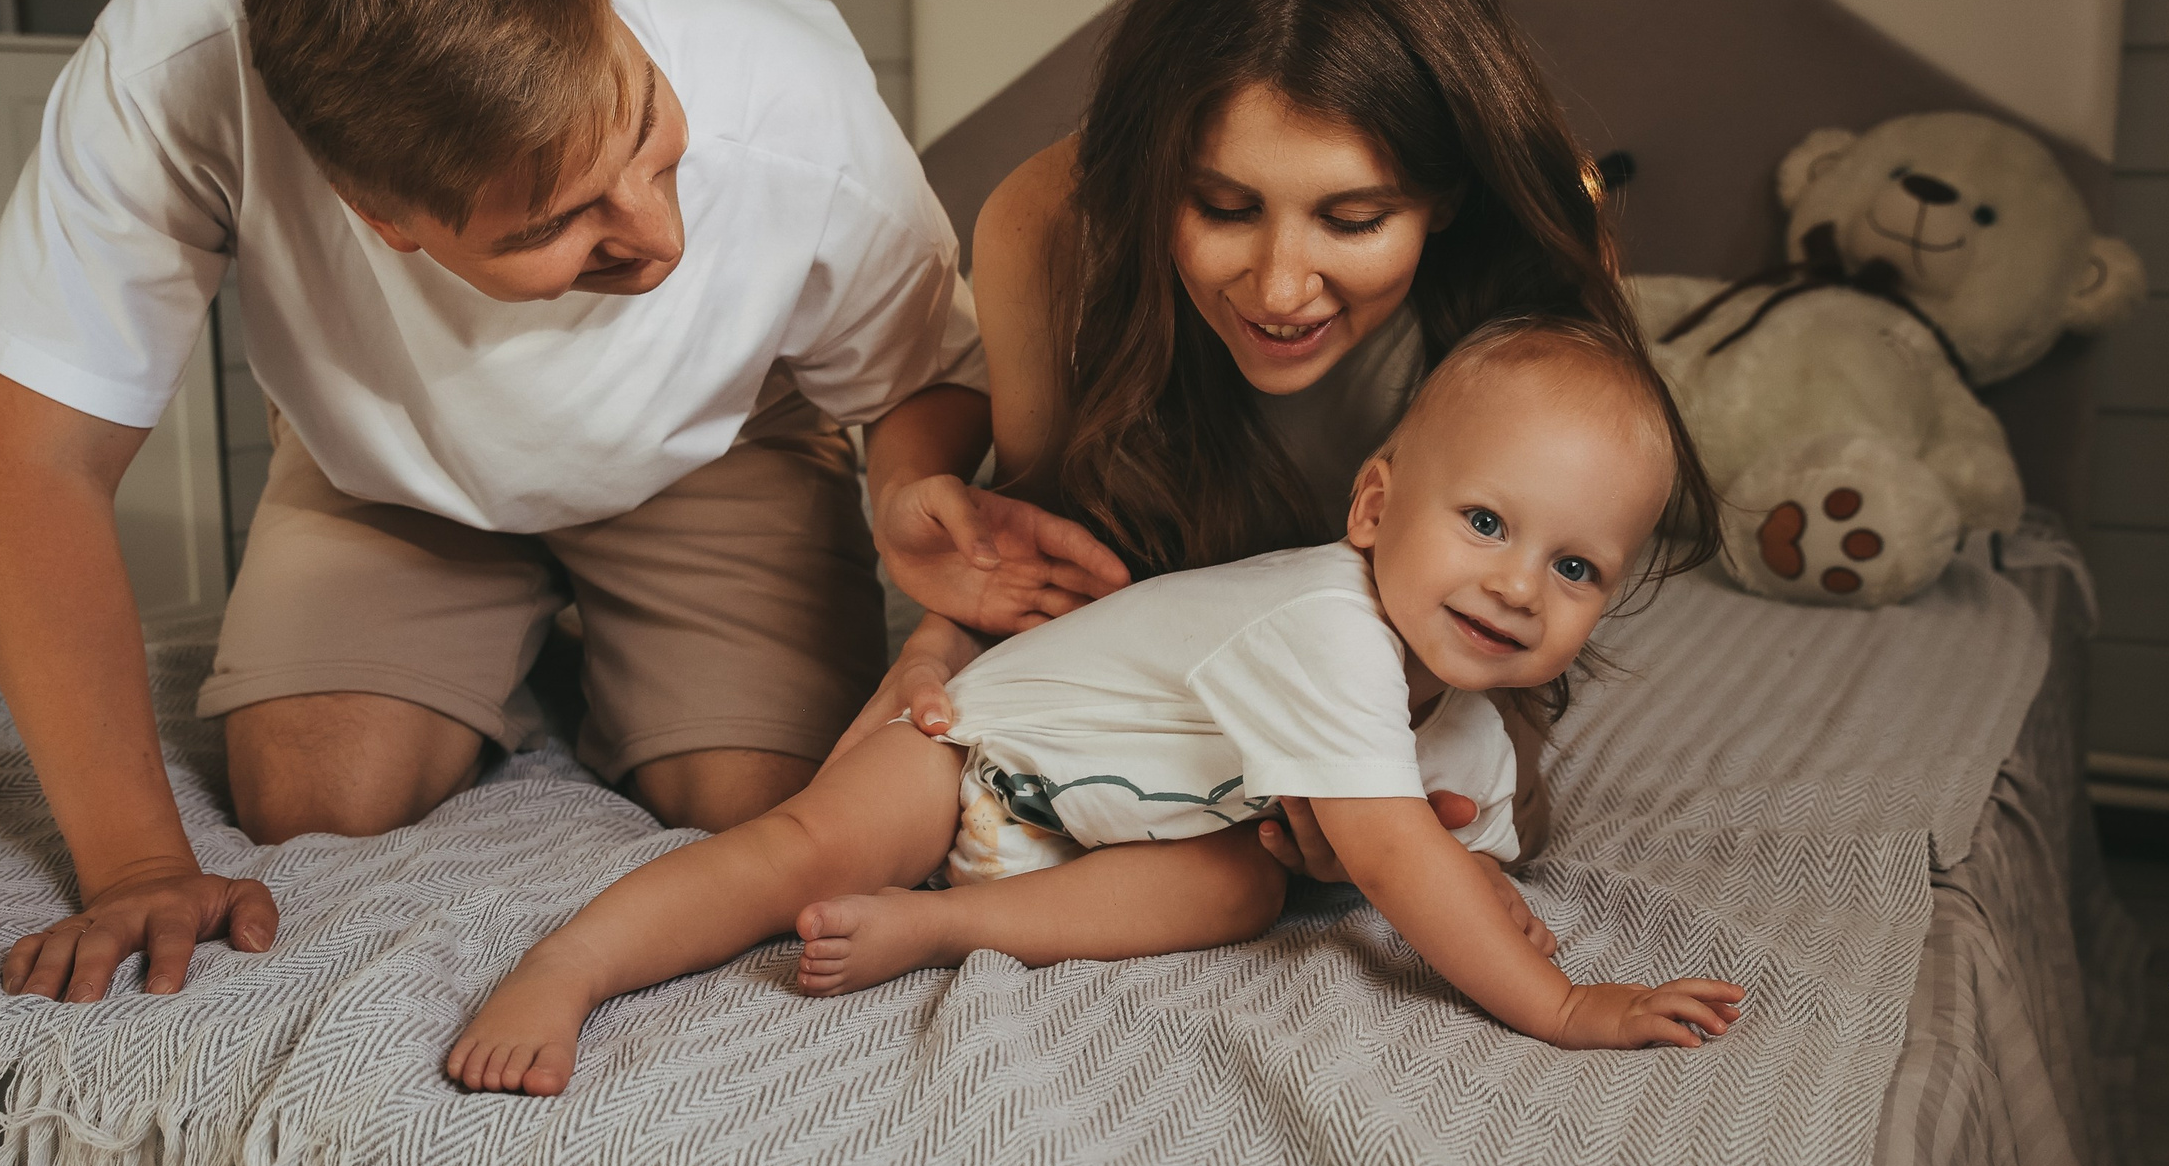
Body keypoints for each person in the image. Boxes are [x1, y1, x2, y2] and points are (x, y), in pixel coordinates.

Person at [0, 0, 1115, 1004]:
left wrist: (897, 494)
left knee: (753, 801)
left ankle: (604, 642)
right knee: (313, 801)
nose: (659, 239)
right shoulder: (177, 63)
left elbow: (919, 375)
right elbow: (31, 465)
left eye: (652, 142)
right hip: (386, 455)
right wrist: (138, 863)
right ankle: (529, 625)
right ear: (378, 214)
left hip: (718, 442)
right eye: (557, 226)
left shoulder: (788, 87)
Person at [448, 318, 1744, 1096]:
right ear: (1373, 507)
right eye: (1484, 522)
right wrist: (1566, 1003)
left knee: (1250, 885)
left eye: (1576, 568)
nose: (1519, 584)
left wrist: (1480, 894)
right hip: (976, 755)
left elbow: (1442, 856)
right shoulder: (1328, 627)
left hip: (1081, 847)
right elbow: (1401, 853)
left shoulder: (1459, 713)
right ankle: (572, 962)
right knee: (791, 849)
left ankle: (943, 927)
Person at [851, 0, 1717, 925]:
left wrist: (1430, 796)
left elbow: (1522, 647)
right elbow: (1040, 541)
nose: (1278, 289)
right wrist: (933, 638)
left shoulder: (1527, 302)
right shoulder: (1053, 225)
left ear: (1444, 197)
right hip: (1156, 683)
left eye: (1353, 219)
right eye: (1222, 206)